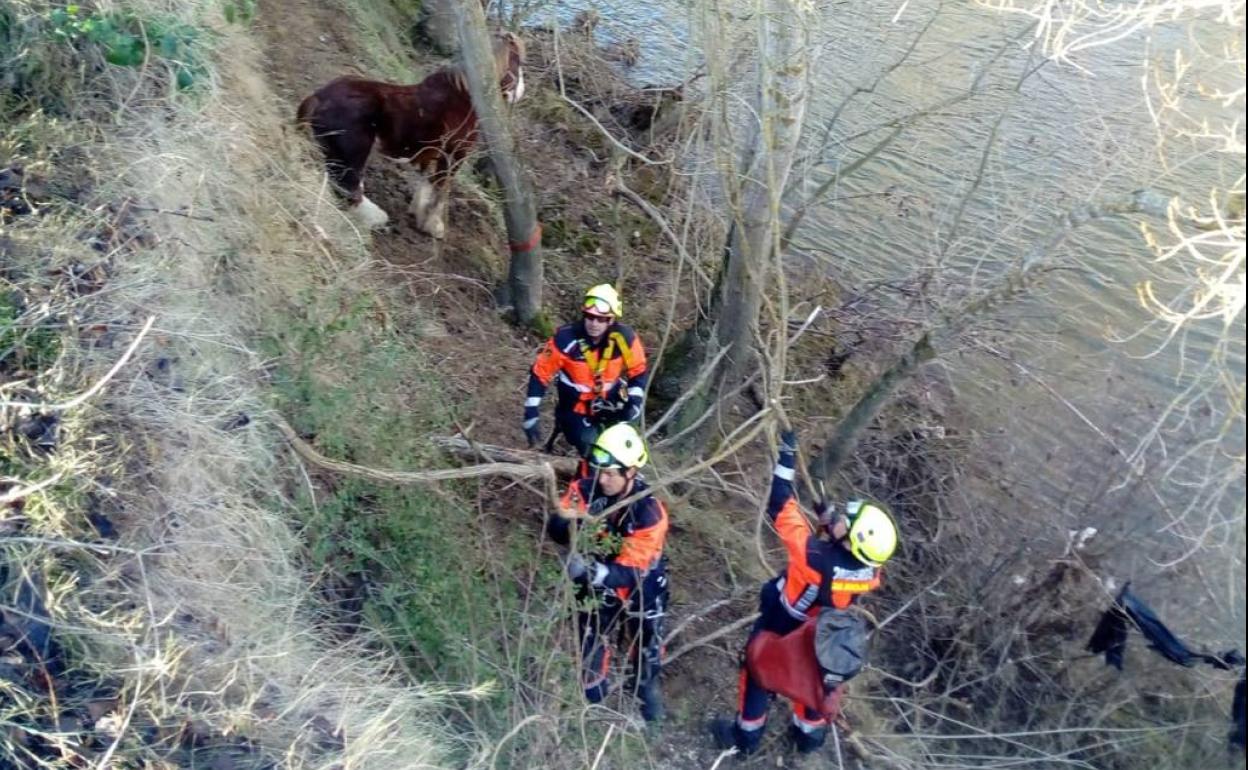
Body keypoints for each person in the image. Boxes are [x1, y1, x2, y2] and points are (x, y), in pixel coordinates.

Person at [711, 430, 898, 755]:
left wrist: (785, 458)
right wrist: (830, 520)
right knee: (815, 682)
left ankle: (745, 739)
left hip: (782, 626)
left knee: (757, 672)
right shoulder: (870, 571)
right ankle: (807, 740)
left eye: (846, 523)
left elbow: (780, 503)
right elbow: (848, 554)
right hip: (824, 634)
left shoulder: (812, 558)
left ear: (850, 540)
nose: (842, 519)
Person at [549, 423, 669, 722]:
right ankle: (593, 697)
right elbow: (558, 527)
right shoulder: (587, 489)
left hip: (640, 584)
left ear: (630, 472)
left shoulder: (649, 514)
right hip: (596, 579)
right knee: (589, 637)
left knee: (647, 644)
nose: (602, 479)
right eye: (599, 470)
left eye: (610, 474)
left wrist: (592, 570)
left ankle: (644, 691)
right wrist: (566, 521)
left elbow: (631, 571)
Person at [523, 284, 648, 458]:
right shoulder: (566, 339)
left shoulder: (624, 339)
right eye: (590, 317)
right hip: (575, 409)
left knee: (626, 451)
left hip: (612, 404)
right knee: (596, 454)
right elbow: (540, 373)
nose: (594, 323)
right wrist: (531, 411)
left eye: (601, 319)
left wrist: (635, 403)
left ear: (611, 320)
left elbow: (638, 370)